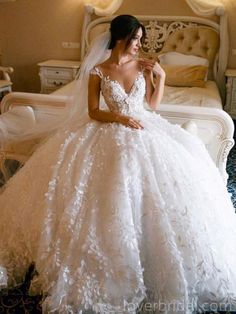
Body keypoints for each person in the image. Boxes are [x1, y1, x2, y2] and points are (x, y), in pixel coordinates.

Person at [0, 14, 236, 314]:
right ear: (119, 38)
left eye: (140, 39)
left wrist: (160, 78)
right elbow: (94, 112)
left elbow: (151, 106)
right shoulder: (98, 71)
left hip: (143, 126)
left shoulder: (142, 67)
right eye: (134, 39)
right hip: (108, 127)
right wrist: (120, 117)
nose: (139, 45)